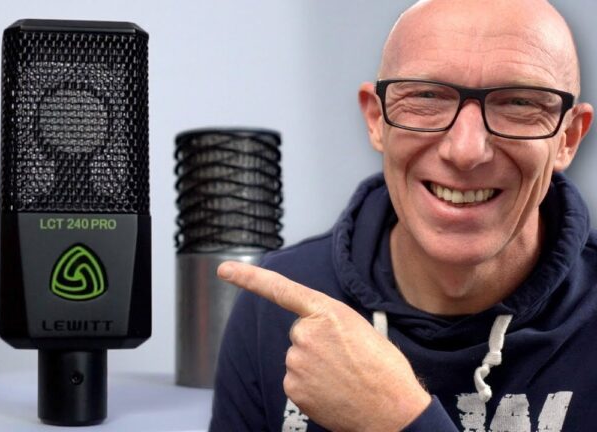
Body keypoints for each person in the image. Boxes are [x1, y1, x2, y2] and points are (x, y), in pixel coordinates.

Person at [209, 0, 596, 430]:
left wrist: (399, 419)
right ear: (376, 119)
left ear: (568, 138)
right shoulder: (279, 303)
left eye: (519, 103)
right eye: (427, 96)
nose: (465, 151)